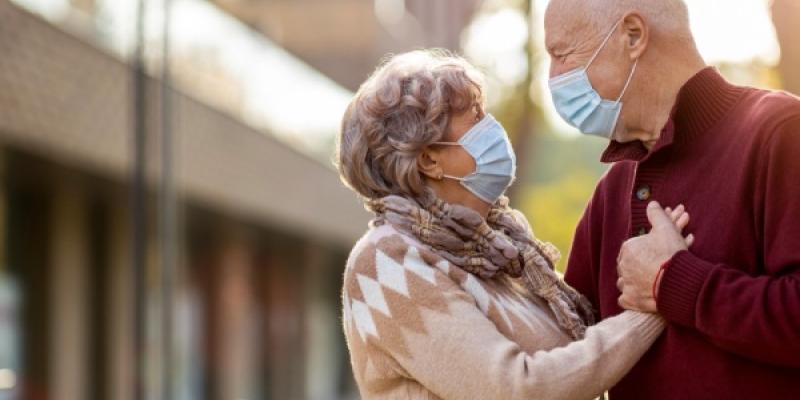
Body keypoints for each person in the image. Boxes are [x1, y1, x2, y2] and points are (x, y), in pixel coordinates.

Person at [334, 49, 690, 400]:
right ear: (428, 159)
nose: (492, 126)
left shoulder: (502, 249)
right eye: (475, 116)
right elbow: (517, 389)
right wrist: (652, 302)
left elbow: (576, 352)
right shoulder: (386, 262)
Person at [543, 0, 800, 399]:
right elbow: (563, 346)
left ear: (633, 35)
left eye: (561, 54)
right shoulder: (613, 188)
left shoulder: (780, 132)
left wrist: (672, 281)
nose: (553, 77)